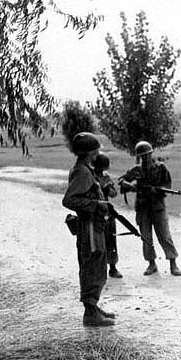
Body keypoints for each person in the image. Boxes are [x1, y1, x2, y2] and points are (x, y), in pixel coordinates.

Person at [62, 132, 115, 327]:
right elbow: (69, 200)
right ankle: (90, 312)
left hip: (94, 225)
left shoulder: (84, 169)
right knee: (92, 265)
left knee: (97, 264)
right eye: (95, 151)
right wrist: (96, 205)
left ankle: (93, 307)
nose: (97, 154)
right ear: (89, 153)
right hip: (89, 226)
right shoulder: (82, 172)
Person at [118, 140, 181, 276]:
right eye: (142, 156)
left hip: (158, 206)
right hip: (142, 208)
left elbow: (167, 185)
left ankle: (173, 263)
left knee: (164, 235)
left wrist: (157, 190)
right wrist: (131, 186)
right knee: (146, 237)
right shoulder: (136, 170)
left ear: (151, 154)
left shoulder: (161, 168)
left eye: (147, 155)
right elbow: (121, 181)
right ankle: (151, 264)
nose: (145, 158)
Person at [93, 153, 122, 278]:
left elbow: (114, 194)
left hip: (106, 211)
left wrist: (107, 189)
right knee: (97, 242)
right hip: (95, 211)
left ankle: (113, 267)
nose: (101, 170)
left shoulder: (105, 177)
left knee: (111, 239)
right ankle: (98, 269)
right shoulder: (90, 176)